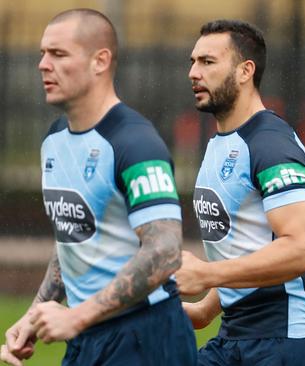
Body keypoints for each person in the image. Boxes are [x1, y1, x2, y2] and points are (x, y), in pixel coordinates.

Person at [0, 8, 196, 366]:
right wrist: (36, 312)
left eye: (58, 54)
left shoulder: (135, 142)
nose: (44, 65)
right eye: (42, 54)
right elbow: (74, 239)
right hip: (87, 335)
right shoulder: (55, 140)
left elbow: (165, 250)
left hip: (145, 336)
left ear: (99, 61)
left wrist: (77, 315)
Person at [174, 19, 305, 366]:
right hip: (236, 334)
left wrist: (206, 274)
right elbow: (247, 243)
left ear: (244, 71)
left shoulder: (269, 143)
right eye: (193, 61)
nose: (193, 72)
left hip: (288, 339)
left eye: (207, 62)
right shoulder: (222, 143)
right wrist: (205, 308)